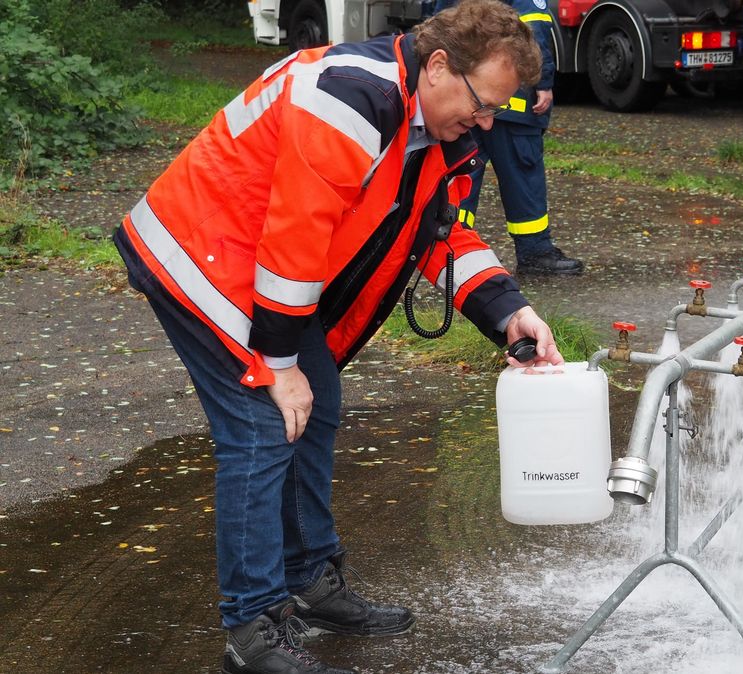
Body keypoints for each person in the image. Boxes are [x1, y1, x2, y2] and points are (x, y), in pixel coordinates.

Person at [112, 2, 563, 672]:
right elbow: (295, 236)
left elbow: (441, 235)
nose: (488, 122)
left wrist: (509, 312)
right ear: (439, 66)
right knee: (263, 428)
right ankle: (254, 625)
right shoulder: (352, 93)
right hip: (201, 256)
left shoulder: (438, 132)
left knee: (315, 407)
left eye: (499, 109)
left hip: (258, 270)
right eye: (483, 103)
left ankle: (310, 579)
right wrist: (277, 361)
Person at [435, 0, 583, 275]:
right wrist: (544, 81)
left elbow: (439, 25)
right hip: (512, 102)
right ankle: (535, 252)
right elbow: (533, 29)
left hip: (468, 98)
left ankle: (448, 245)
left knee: (460, 175)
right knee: (523, 178)